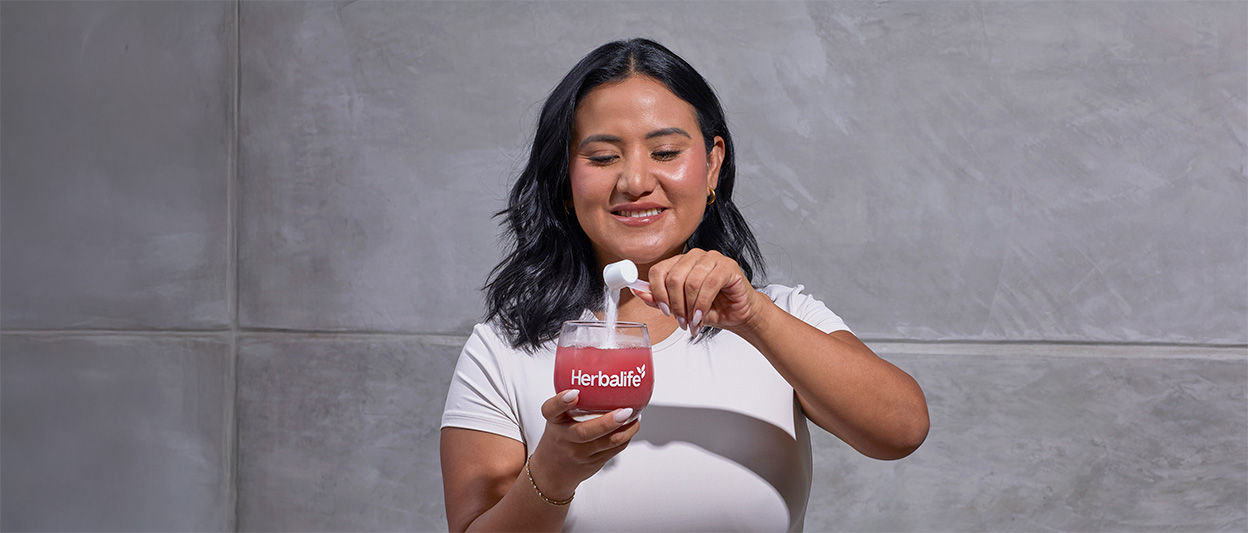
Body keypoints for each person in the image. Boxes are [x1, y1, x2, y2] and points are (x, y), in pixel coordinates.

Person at [440, 38, 929, 531]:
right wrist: (551, 473)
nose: (634, 180)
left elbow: (902, 431)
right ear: (565, 180)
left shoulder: (777, 319)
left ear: (712, 165)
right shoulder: (504, 350)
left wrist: (754, 318)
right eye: (603, 157)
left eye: (666, 151)